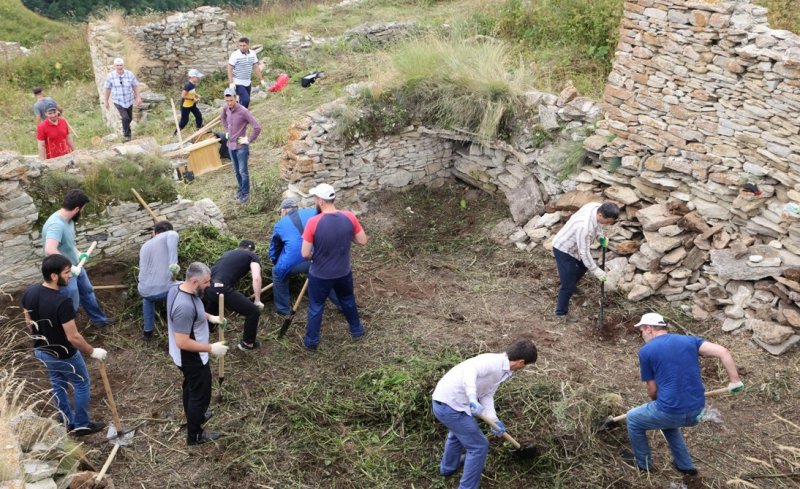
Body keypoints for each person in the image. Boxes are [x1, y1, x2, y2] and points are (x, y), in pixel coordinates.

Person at [625, 313, 744, 475]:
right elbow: (723, 351)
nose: (642, 334)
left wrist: (658, 402)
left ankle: (642, 464)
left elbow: (652, 389)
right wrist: (735, 380)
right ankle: (685, 465)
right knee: (668, 423)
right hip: (697, 411)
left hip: (671, 412)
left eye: (642, 330)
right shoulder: (690, 341)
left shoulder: (646, 351)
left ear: (649, 329)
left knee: (633, 418)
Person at [432, 339, 538, 488]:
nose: (523, 368)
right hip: (449, 405)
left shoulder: (504, 371)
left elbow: (487, 395)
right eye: (526, 365)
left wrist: (494, 419)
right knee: (479, 446)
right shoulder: (492, 362)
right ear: (521, 362)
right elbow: (470, 371)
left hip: (452, 404)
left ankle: (448, 468)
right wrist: (472, 397)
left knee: (457, 434)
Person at [22, 254, 108, 436]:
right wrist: (93, 351)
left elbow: (29, 323)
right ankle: (82, 425)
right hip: (64, 354)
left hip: (41, 350)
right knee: (81, 383)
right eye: (67, 272)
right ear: (54, 276)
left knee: (58, 383)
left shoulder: (29, 292)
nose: (70, 275)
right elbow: (73, 337)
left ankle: (66, 420)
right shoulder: (62, 302)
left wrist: (42, 338)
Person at [167, 262, 229, 446]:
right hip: (190, 357)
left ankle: (197, 414)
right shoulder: (184, 307)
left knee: (191, 387)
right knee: (200, 394)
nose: (208, 285)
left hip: (189, 355)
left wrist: (211, 318)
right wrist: (211, 348)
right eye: (206, 282)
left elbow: (197, 311)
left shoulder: (178, 287)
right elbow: (183, 342)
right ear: (194, 281)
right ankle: (194, 435)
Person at [300, 183, 368, 351]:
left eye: (316, 198)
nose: (315, 201)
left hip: (320, 275)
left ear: (321, 201)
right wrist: (346, 235)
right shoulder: (349, 217)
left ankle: (311, 342)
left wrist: (315, 256)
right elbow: (362, 240)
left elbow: (305, 253)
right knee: (347, 299)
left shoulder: (313, 222)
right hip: (343, 272)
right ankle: (357, 330)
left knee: (316, 307)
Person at [42, 189, 114, 327]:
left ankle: (99, 320)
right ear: (76, 209)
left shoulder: (69, 221)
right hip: (64, 272)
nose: (82, 212)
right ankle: (67, 332)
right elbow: (50, 250)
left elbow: (68, 244)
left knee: (87, 291)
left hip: (76, 267)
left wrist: (78, 253)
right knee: (70, 303)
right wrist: (69, 267)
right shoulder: (56, 224)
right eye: (82, 209)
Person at [269, 197, 339, 316]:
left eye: (281, 211)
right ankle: (343, 304)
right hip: (320, 256)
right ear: (297, 208)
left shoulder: (279, 225)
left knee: (277, 272)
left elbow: (275, 249)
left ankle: (283, 310)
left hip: (296, 262)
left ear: (284, 210)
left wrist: (276, 262)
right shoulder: (313, 212)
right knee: (326, 277)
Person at [551, 201, 619, 323]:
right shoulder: (585, 227)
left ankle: (570, 284)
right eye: (608, 221)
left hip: (575, 246)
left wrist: (599, 236)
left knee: (583, 266)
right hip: (564, 248)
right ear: (600, 216)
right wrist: (596, 270)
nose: (609, 224)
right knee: (567, 284)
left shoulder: (595, 206)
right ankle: (561, 313)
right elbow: (584, 253)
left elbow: (597, 227)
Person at [204, 240, 264, 351]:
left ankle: (207, 328)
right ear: (253, 250)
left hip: (207, 286)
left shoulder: (228, 253)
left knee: (215, 300)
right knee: (253, 311)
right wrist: (257, 299)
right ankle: (248, 343)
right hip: (221, 288)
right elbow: (256, 277)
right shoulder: (252, 256)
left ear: (239, 247)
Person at [138, 220, 180, 339]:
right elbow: (173, 266)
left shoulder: (144, 245)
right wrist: (174, 273)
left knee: (147, 299)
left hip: (144, 290)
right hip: (163, 291)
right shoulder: (171, 234)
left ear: (155, 232)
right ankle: (178, 328)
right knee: (182, 289)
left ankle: (148, 332)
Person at [221, 87, 261, 203]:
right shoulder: (226, 108)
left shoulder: (243, 111)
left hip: (241, 147)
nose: (229, 103)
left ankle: (245, 193)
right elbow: (222, 118)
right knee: (236, 171)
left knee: (243, 171)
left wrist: (248, 139)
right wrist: (226, 131)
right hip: (230, 146)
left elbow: (257, 127)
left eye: (231, 100)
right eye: (227, 101)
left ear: (236, 98)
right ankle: (241, 189)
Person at [102, 57, 141, 142]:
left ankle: (127, 130)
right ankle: (127, 136)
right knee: (125, 118)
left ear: (123, 65)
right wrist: (106, 100)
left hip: (129, 100)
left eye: (121, 65)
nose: (119, 67)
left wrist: (138, 97)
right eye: (117, 65)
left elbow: (135, 85)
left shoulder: (129, 74)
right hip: (118, 101)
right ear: (114, 66)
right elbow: (107, 88)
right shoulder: (110, 76)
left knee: (130, 118)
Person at [227, 37, 266, 109]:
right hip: (238, 82)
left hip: (247, 81)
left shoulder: (252, 54)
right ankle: (240, 116)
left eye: (244, 45)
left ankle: (240, 114)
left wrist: (262, 80)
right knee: (245, 99)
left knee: (246, 101)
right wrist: (231, 83)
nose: (242, 47)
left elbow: (256, 67)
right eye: (240, 45)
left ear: (248, 45)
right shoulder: (235, 55)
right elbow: (229, 68)